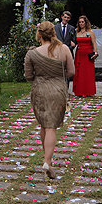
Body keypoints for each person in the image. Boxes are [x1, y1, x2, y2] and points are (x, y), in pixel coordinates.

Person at [24, 21, 74, 179]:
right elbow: (71, 72)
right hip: (58, 89)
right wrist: (57, 75)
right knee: (51, 127)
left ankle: (47, 157)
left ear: (39, 35)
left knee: (44, 125)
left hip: (40, 90)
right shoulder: (64, 49)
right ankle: (47, 161)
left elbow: (28, 76)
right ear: (54, 33)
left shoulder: (32, 53)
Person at [73, 15, 98, 97]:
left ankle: (88, 90)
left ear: (86, 22)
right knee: (79, 72)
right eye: (79, 22)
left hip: (88, 54)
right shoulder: (77, 32)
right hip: (79, 54)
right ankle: (80, 91)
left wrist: (96, 53)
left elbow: (94, 43)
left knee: (88, 73)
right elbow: (74, 42)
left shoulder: (90, 32)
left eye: (82, 22)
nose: (81, 23)